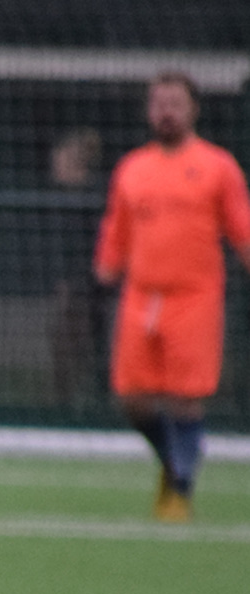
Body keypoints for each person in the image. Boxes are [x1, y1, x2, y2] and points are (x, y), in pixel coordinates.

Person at [94, 73, 250, 523]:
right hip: (141, 296)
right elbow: (116, 229)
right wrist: (105, 270)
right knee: (132, 398)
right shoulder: (132, 168)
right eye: (159, 103)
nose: (166, 112)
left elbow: (241, 228)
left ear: (193, 109)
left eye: (175, 103)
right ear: (148, 110)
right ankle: (173, 459)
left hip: (194, 297)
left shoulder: (218, 167)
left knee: (185, 398)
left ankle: (179, 489)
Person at [46, 129, 109, 412]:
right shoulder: (63, 198)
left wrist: (70, 284)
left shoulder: (91, 199)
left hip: (88, 286)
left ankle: (77, 405)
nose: (54, 165)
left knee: (75, 342)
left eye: (60, 160)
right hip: (81, 285)